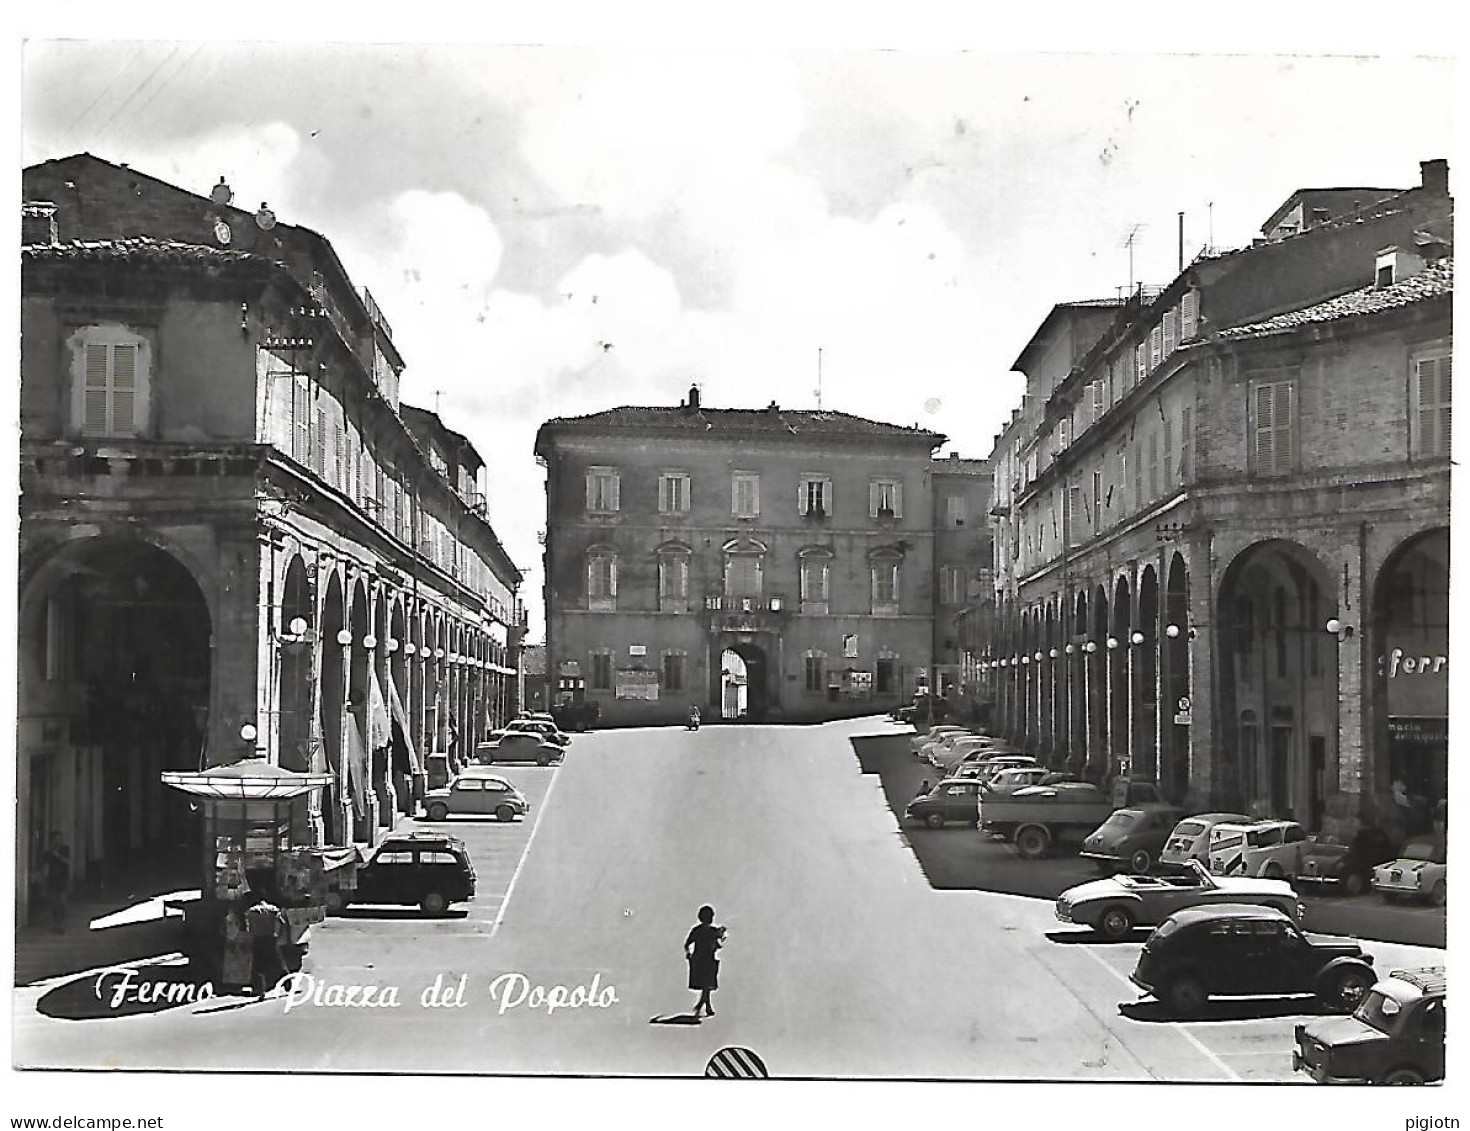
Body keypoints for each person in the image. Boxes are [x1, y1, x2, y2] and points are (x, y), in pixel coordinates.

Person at [684, 904, 726, 1019]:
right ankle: (702, 1005)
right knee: (707, 985)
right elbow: (718, 946)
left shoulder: (696, 930)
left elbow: (687, 944)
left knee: (705, 985)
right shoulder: (713, 931)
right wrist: (722, 936)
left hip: (698, 959)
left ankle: (706, 1006)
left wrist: (688, 954)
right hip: (708, 960)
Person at [40, 832, 71, 933]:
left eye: (60, 839)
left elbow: (68, 862)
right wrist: (43, 882)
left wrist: (58, 855)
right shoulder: (47, 853)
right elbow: (45, 868)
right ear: (52, 840)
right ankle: (55, 924)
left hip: (62, 879)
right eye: (56, 839)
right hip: (52, 880)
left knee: (62, 902)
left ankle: (61, 923)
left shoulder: (65, 850)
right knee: (54, 903)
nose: (58, 841)